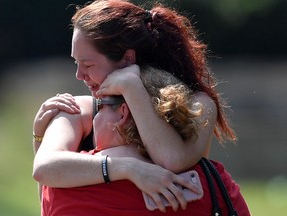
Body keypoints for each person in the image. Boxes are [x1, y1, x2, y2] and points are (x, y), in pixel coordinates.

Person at [32, 0, 245, 213]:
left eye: (88, 65)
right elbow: (44, 175)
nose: (79, 75)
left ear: (127, 58)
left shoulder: (197, 105)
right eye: (75, 62)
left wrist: (132, 88)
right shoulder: (77, 109)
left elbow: (171, 160)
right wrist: (128, 167)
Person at [36, 67, 250, 215]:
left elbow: (47, 204)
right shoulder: (216, 183)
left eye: (99, 108)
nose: (93, 119)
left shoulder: (66, 181)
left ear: (122, 113)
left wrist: (39, 138)